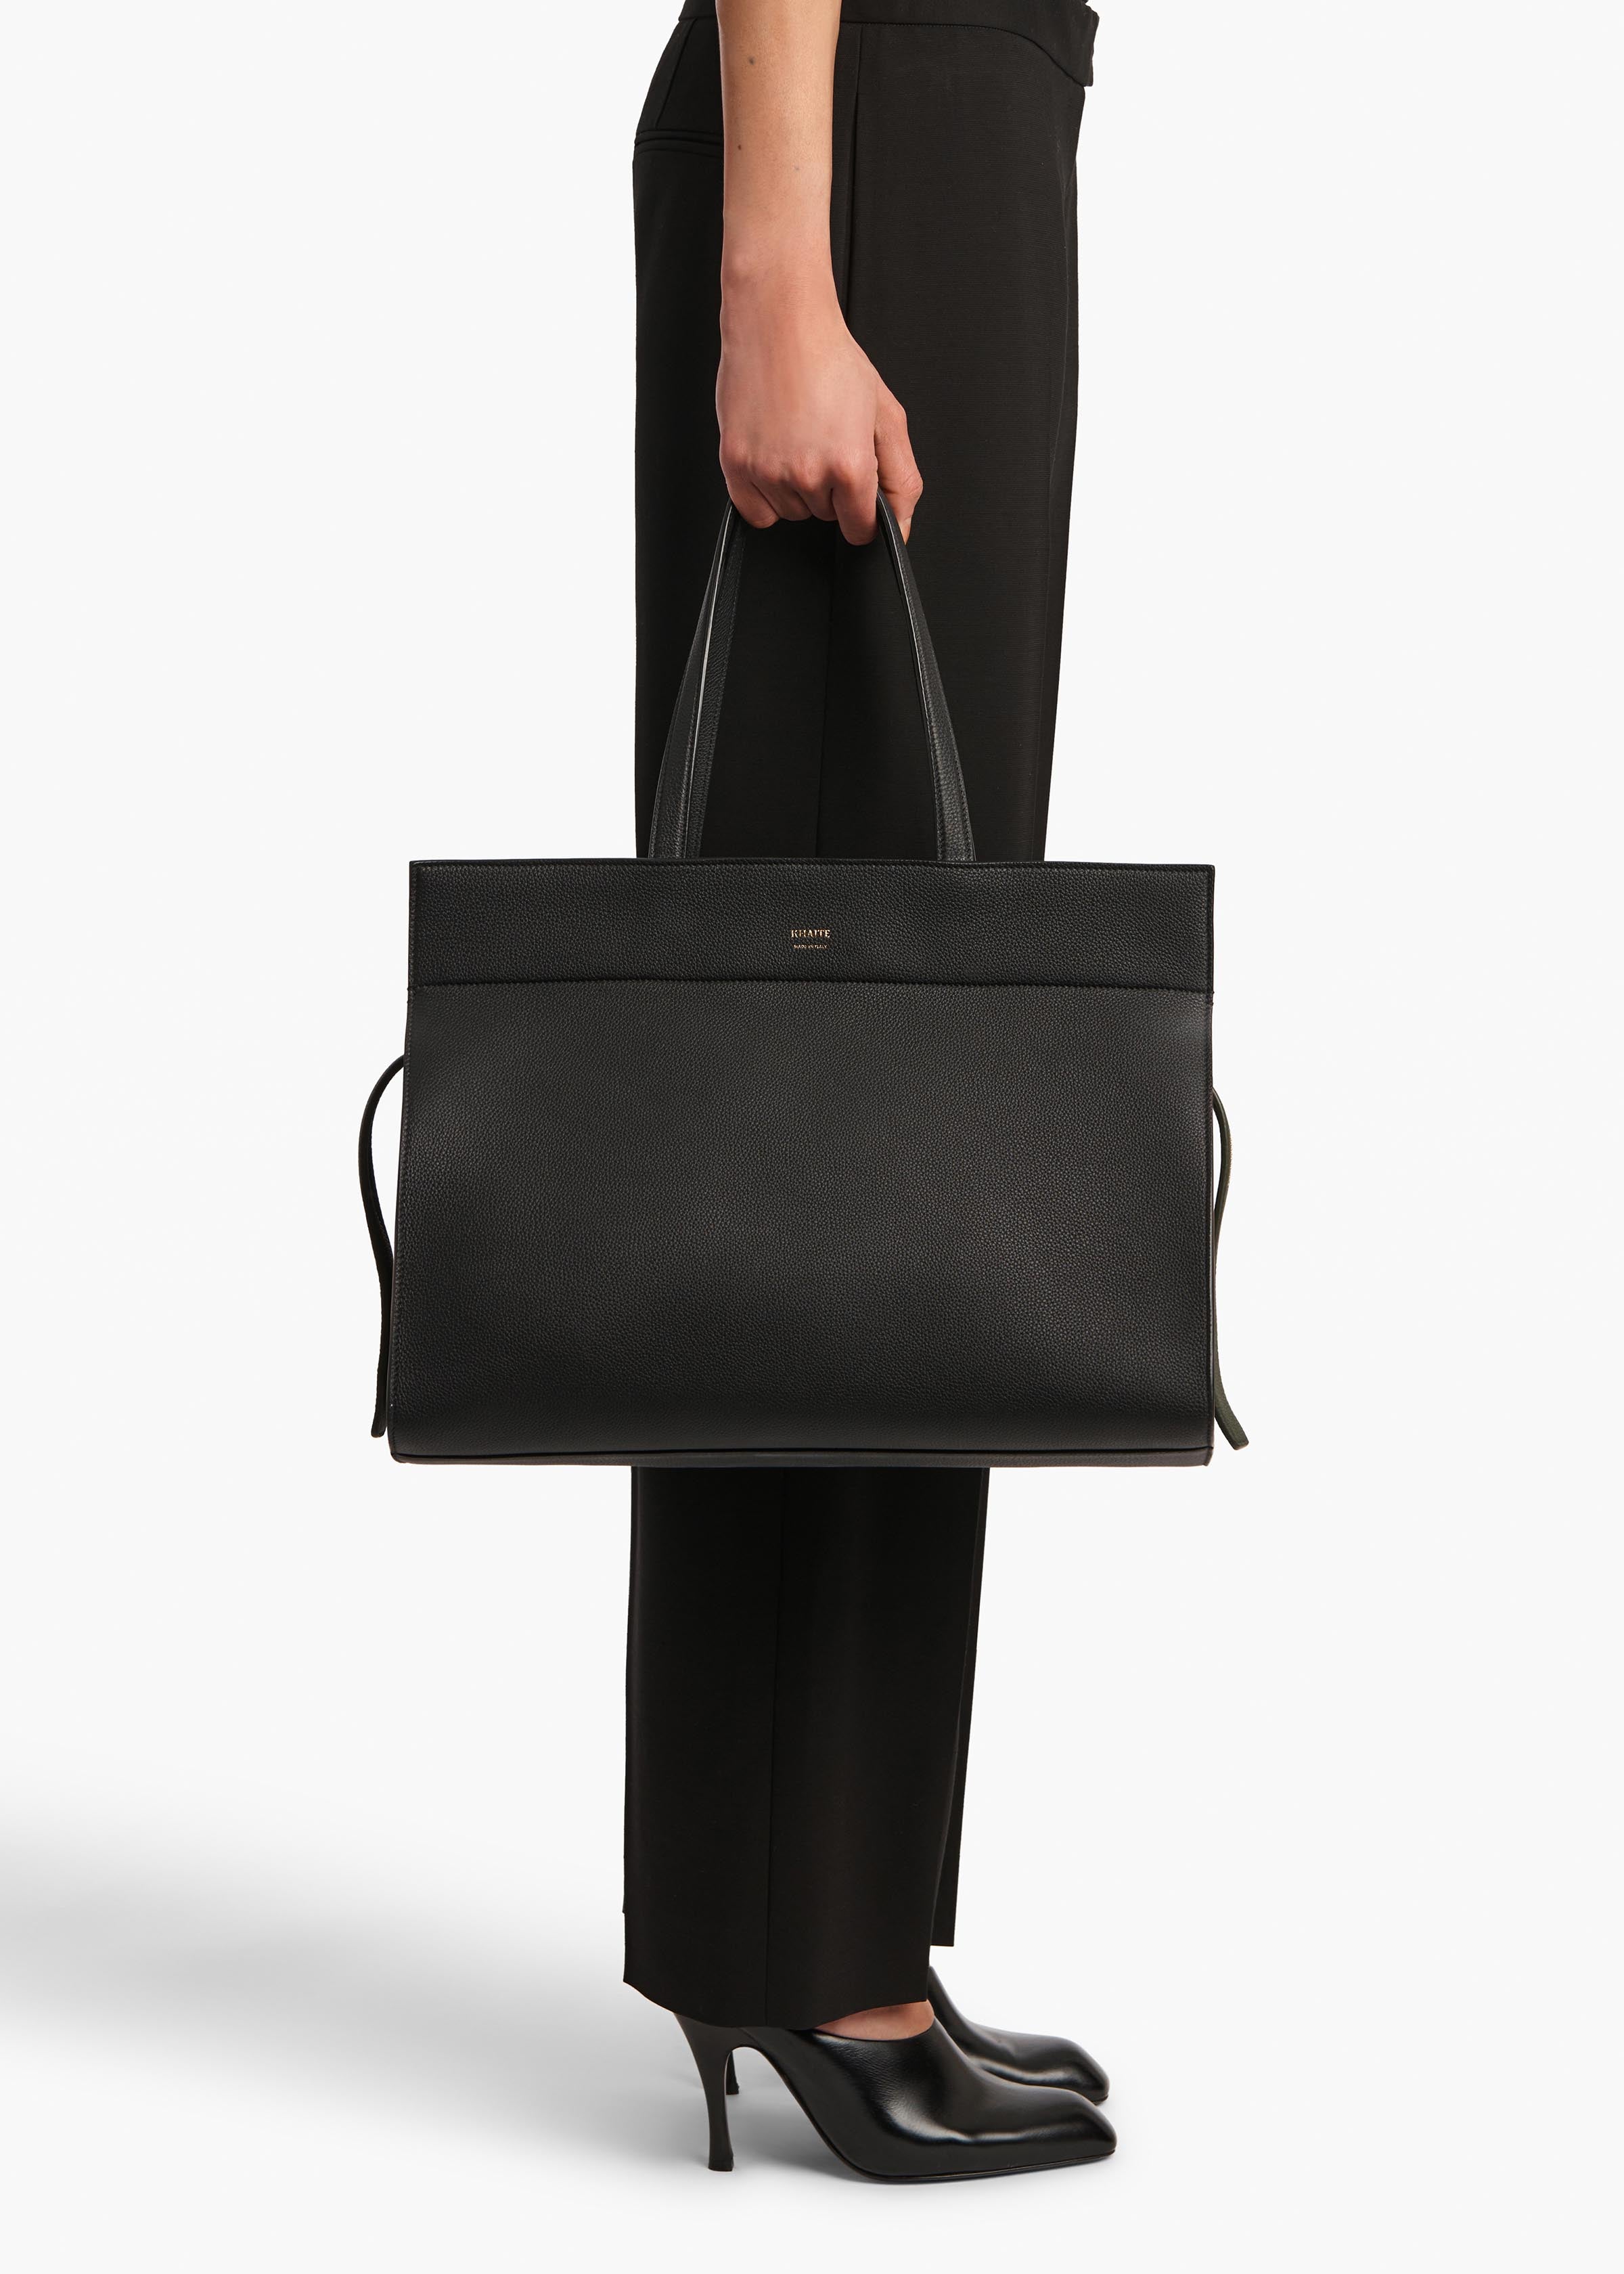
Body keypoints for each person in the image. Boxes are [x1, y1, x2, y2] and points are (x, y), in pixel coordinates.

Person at [626, 0, 1112, 2180]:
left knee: (909, 1073)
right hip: (865, 143)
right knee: (838, 1097)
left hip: (935, 138)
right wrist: (783, 276)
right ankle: (803, 1946)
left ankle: (842, 1913)